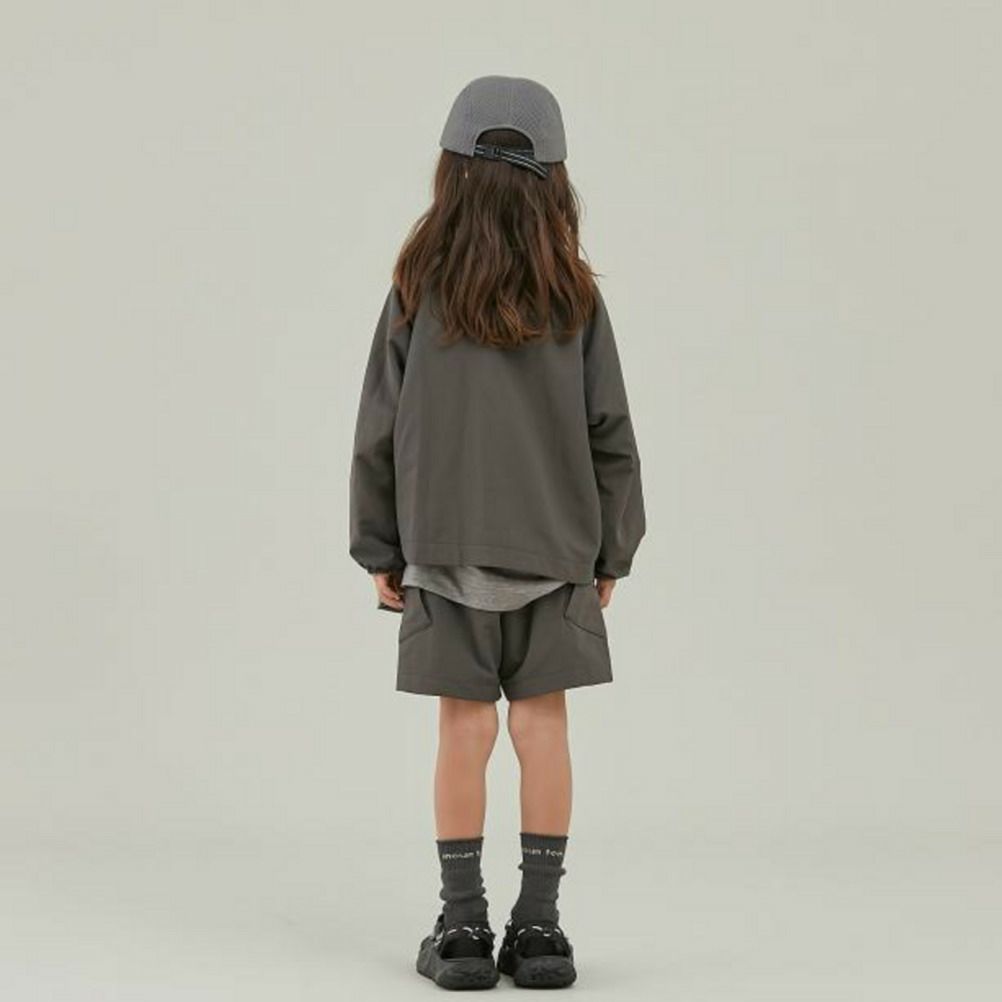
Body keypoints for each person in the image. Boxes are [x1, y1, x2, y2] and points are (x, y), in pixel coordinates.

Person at [349, 75, 645, 990]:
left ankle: (464, 928)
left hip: (442, 552)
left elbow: (379, 426)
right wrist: (613, 548)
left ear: (451, 172)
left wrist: (379, 545)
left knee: (463, 731)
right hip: (556, 553)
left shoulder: (418, 289)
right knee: (544, 728)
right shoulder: (574, 297)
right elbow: (610, 429)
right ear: (556, 183)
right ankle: (542, 931)